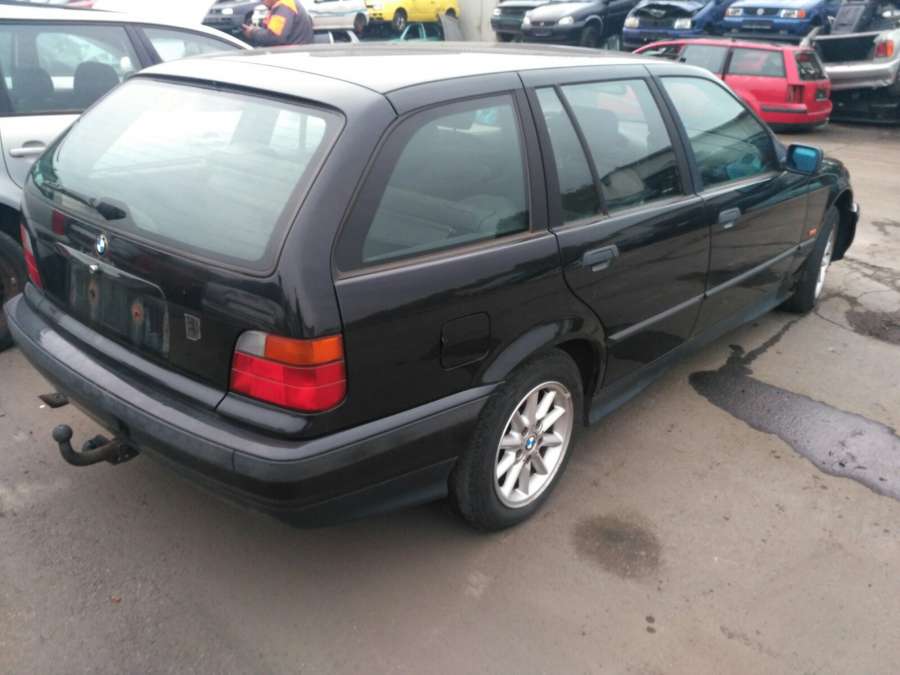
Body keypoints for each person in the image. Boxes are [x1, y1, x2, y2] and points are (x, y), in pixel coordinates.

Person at [242, 0, 314, 47]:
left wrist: (252, 32)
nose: (263, 2)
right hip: (297, 49)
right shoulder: (287, 4)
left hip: (290, 54)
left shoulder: (284, 6)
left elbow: (274, 37)